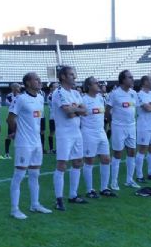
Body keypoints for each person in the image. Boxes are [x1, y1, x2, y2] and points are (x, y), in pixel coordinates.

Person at [7, 72, 52, 219]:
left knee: (35, 174)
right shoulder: (20, 99)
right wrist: (16, 132)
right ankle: (14, 210)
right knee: (19, 175)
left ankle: (35, 204)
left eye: (39, 79)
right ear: (27, 83)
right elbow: (10, 119)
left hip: (36, 143)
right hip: (24, 143)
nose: (39, 81)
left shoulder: (40, 98)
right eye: (36, 79)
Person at [51, 66, 87, 210]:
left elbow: (85, 111)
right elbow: (67, 111)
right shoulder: (58, 93)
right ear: (63, 77)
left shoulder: (76, 93)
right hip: (64, 134)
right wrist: (77, 110)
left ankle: (73, 195)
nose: (75, 77)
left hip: (76, 132)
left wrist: (76, 111)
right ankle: (58, 199)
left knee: (78, 162)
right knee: (62, 165)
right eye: (72, 74)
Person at [80, 76, 113, 198]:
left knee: (106, 159)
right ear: (89, 86)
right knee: (89, 161)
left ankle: (104, 188)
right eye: (95, 83)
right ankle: (90, 190)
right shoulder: (83, 99)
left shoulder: (100, 98)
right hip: (88, 133)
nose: (98, 85)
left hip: (101, 132)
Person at [106, 70, 139, 189]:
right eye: (130, 77)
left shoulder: (134, 93)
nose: (132, 79)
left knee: (132, 152)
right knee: (118, 153)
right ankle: (113, 182)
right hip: (118, 127)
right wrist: (112, 124)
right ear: (123, 80)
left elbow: (136, 109)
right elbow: (107, 110)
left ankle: (129, 180)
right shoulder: (114, 94)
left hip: (131, 126)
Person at [134, 75, 151, 182]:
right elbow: (148, 109)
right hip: (144, 126)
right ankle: (139, 175)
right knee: (142, 150)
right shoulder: (139, 95)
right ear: (145, 82)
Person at [3, 83, 22, 158]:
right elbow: (10, 105)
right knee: (10, 135)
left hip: (19, 118)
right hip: (12, 118)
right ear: (13, 88)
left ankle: (19, 152)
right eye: (18, 87)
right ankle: (7, 153)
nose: (19, 88)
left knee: (19, 135)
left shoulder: (21, 96)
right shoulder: (9, 96)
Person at [46, 82, 58, 153]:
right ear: (51, 88)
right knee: (52, 133)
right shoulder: (50, 96)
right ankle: (51, 149)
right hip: (53, 117)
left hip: (58, 117)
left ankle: (57, 148)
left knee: (59, 133)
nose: (57, 88)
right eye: (55, 87)